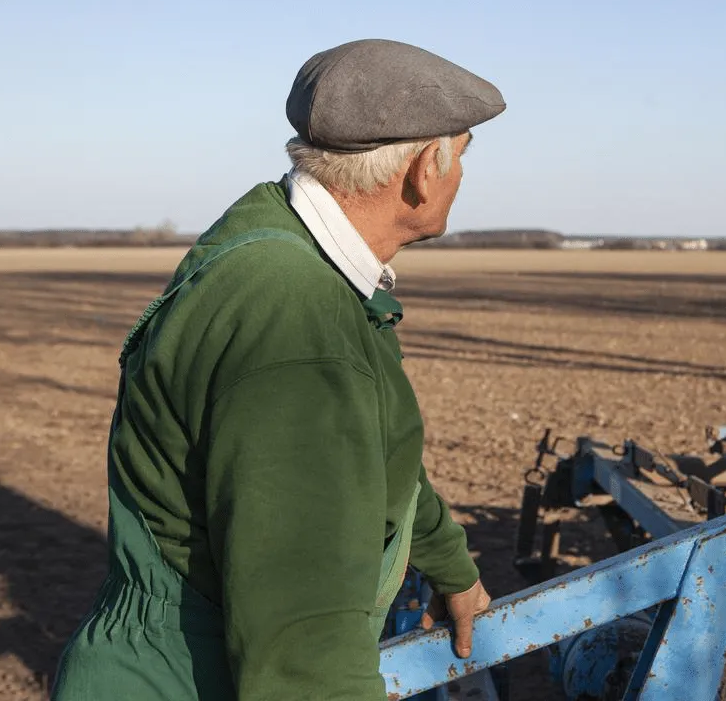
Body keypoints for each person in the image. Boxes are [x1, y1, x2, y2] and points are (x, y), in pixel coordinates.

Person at [51, 39, 507, 700]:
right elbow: (305, 647)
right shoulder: (296, 324)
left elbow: (375, 458)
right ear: (422, 171)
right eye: (461, 156)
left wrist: (451, 566)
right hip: (187, 680)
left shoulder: (277, 242)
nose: (462, 177)